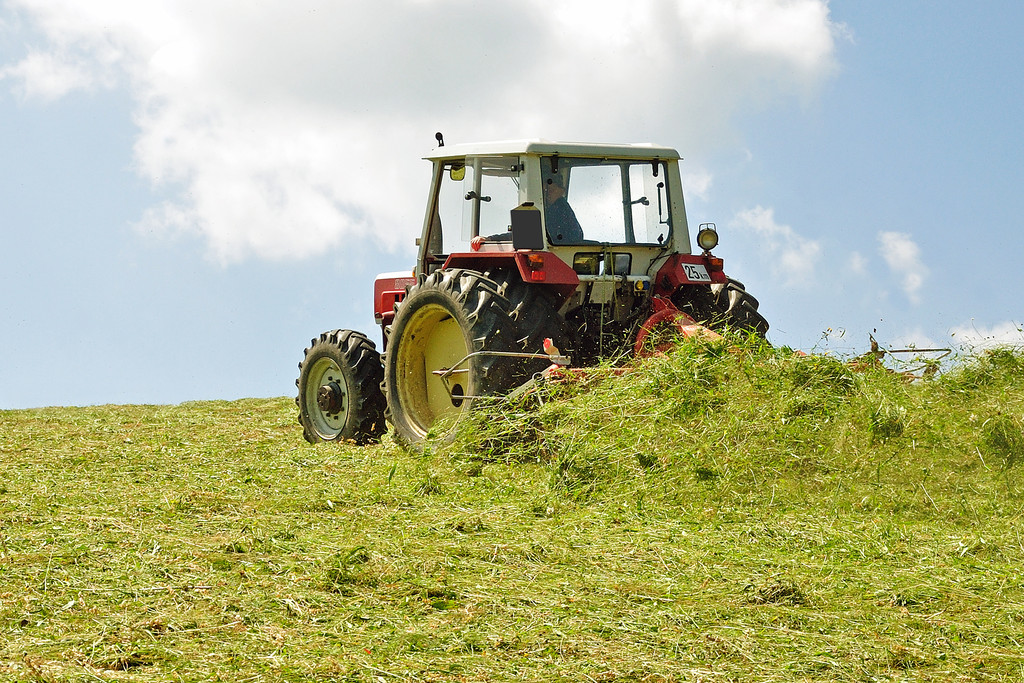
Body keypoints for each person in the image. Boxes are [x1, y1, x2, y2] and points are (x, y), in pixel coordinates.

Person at [543, 176, 584, 243]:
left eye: (551, 190)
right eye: (545, 191)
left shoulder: (558, 208)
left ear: (562, 191)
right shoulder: (560, 207)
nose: (548, 194)